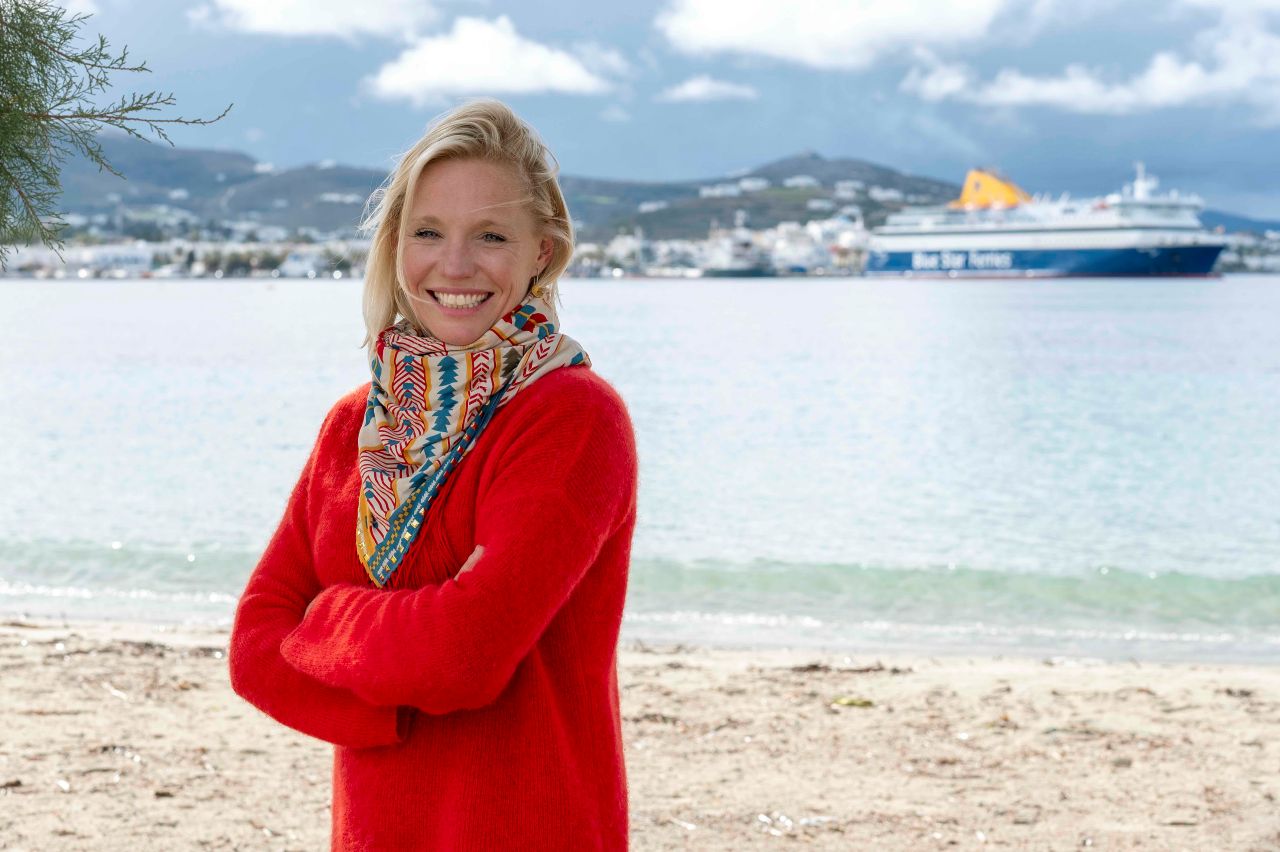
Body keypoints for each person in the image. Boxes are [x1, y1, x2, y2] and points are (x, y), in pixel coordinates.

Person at [228, 99, 639, 850]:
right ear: (394, 245)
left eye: (490, 235)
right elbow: (255, 650)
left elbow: (465, 658)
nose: (453, 266)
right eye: (427, 232)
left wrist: (326, 621)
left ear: (540, 253)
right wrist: (399, 681)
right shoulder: (354, 427)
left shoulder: (573, 416)